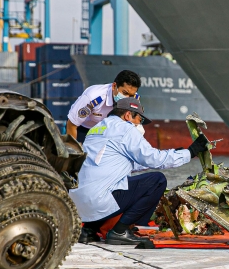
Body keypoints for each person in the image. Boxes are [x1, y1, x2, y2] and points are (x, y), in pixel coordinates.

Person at [70, 97, 210, 245]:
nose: (140, 124)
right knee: (156, 181)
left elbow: (129, 164)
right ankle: (120, 231)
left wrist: (174, 153)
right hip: (98, 200)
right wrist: (190, 152)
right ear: (128, 115)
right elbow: (154, 159)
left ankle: (88, 231)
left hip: (79, 204)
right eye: (140, 120)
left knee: (110, 184)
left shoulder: (97, 128)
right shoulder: (125, 128)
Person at [67, 70, 141, 143]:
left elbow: (135, 123)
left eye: (131, 95)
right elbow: (72, 125)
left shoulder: (134, 99)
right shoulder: (93, 97)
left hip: (110, 130)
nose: (127, 98)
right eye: (125, 93)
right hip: (84, 129)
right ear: (114, 86)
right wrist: (73, 150)